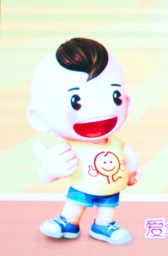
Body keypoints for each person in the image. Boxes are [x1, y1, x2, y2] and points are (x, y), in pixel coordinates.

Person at [27, 37, 140, 245]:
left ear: (126, 101)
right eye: (76, 101)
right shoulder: (73, 146)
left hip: (111, 187)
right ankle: (68, 222)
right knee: (76, 203)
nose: (100, 110)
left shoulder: (116, 143)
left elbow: (131, 158)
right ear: (39, 118)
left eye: (115, 96)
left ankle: (104, 225)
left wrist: (131, 173)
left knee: (108, 207)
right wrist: (51, 170)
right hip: (82, 185)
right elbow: (45, 175)